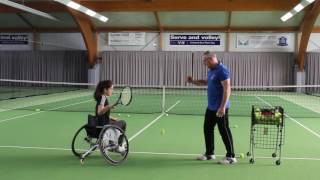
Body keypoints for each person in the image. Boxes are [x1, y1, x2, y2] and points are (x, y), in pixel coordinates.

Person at [187, 51, 236, 164]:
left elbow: (227, 89)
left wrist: (222, 107)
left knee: (224, 130)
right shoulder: (211, 70)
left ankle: (231, 156)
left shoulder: (222, 70)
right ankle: (210, 153)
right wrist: (192, 81)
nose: (204, 63)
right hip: (211, 107)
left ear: (211, 59)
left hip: (220, 107)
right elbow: (206, 82)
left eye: (205, 61)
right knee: (207, 129)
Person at [94, 80, 126, 152]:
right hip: (104, 124)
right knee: (123, 123)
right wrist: (109, 106)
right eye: (111, 88)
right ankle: (118, 145)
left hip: (99, 122)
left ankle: (114, 142)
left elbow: (101, 113)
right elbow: (99, 112)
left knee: (117, 121)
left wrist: (112, 118)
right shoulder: (103, 98)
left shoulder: (101, 97)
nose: (112, 90)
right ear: (105, 89)